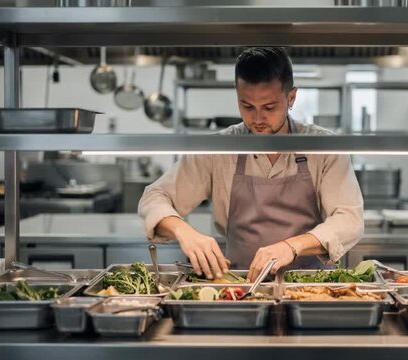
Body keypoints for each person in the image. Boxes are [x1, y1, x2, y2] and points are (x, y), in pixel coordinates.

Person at [138, 47, 363, 282]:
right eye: (247, 106)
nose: (257, 119)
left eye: (269, 107)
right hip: (238, 288)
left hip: (309, 289)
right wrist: (184, 232)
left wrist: (291, 246)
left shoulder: (323, 147)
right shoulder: (220, 149)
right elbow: (154, 197)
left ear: (291, 98)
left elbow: (349, 219)